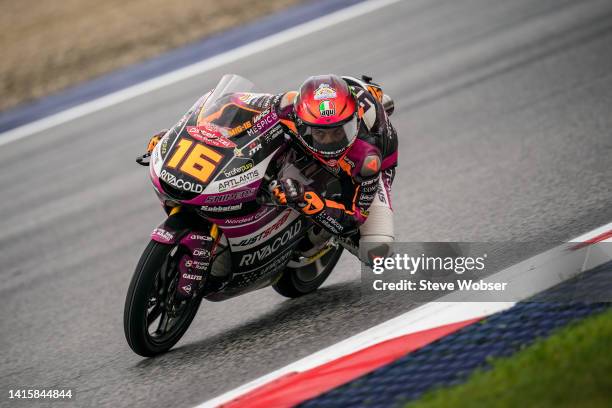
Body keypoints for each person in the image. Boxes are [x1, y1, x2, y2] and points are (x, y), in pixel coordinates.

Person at [147, 74, 398, 263]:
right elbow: (227, 106)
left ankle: (325, 238)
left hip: (369, 166)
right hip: (326, 107)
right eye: (320, 134)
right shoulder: (286, 105)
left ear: (353, 123)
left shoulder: (368, 157)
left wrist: (311, 202)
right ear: (300, 119)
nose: (331, 142)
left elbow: (355, 217)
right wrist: (178, 134)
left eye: (340, 133)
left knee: (377, 254)